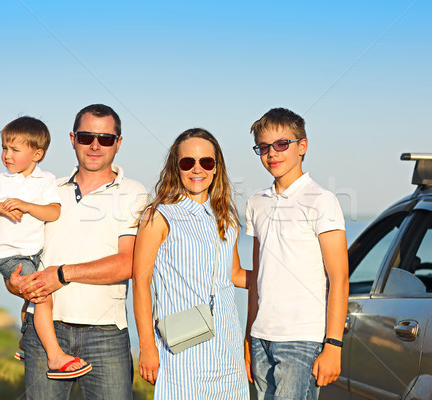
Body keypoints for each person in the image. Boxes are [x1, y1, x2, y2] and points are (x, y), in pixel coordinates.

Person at [8, 104, 147, 399]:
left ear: (118, 144)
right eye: (86, 137)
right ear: (73, 139)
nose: (95, 145)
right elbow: (19, 251)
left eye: (105, 139)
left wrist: (62, 274)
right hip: (45, 332)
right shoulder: (47, 191)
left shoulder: (134, 192)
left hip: (106, 333)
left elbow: (128, 263)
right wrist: (14, 282)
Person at [133, 128, 250, 399]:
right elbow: (140, 283)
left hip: (228, 347)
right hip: (182, 353)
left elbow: (234, 274)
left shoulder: (226, 218)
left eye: (206, 162)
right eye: (188, 162)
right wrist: (147, 347)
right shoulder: (159, 216)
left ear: (216, 167)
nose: (197, 169)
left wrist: (282, 278)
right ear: (176, 167)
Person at [244, 108, 349, 399]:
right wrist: (248, 336)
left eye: (281, 144)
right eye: (264, 147)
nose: (272, 154)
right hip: (261, 337)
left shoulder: (322, 200)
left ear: (302, 146)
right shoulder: (256, 202)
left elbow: (339, 278)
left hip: (302, 339)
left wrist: (333, 345)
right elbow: (257, 278)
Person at [0, 116, 90, 378]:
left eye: (15, 150)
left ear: (37, 154)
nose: (7, 155)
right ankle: (55, 356)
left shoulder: (45, 180)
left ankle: (25, 342)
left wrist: (26, 206)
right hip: (9, 254)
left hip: (35, 252)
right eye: (4, 148)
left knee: (35, 299)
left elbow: (53, 212)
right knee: (42, 296)